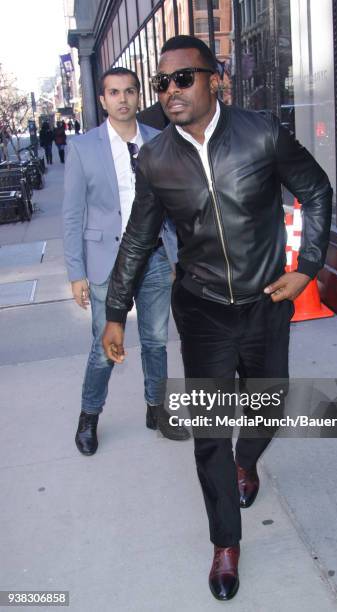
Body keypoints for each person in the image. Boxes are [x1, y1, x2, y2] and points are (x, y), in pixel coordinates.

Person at [102, 36, 332, 601]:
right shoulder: (155, 159)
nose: (169, 91)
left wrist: (307, 268)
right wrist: (114, 311)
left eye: (182, 78)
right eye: (162, 83)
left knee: (266, 406)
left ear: (214, 80)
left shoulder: (261, 134)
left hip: (265, 303)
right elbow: (138, 237)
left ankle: (247, 462)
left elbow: (318, 191)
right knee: (209, 434)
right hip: (202, 311)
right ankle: (225, 543)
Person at [63, 67, 189, 457]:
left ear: (138, 97)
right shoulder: (83, 147)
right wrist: (76, 272)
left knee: (155, 340)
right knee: (104, 347)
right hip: (106, 260)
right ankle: (89, 417)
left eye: (129, 91)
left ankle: (156, 409)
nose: (122, 99)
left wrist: (174, 254)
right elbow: (72, 214)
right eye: (114, 92)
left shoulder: (161, 140)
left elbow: (175, 204)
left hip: (153, 257)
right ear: (102, 100)